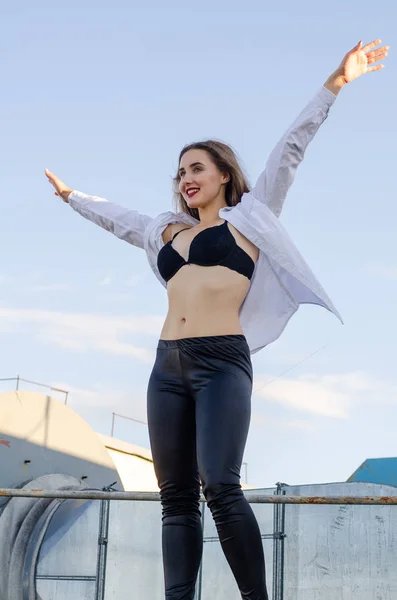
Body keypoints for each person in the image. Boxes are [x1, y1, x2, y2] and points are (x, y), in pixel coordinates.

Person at [46, 39, 388, 600]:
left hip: (221, 362)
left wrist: (337, 81)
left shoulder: (251, 219)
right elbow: (118, 219)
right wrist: (70, 197)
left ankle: (257, 597)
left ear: (225, 174)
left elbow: (290, 148)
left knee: (221, 488)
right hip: (165, 368)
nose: (185, 178)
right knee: (174, 498)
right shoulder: (165, 230)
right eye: (180, 171)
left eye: (197, 167)